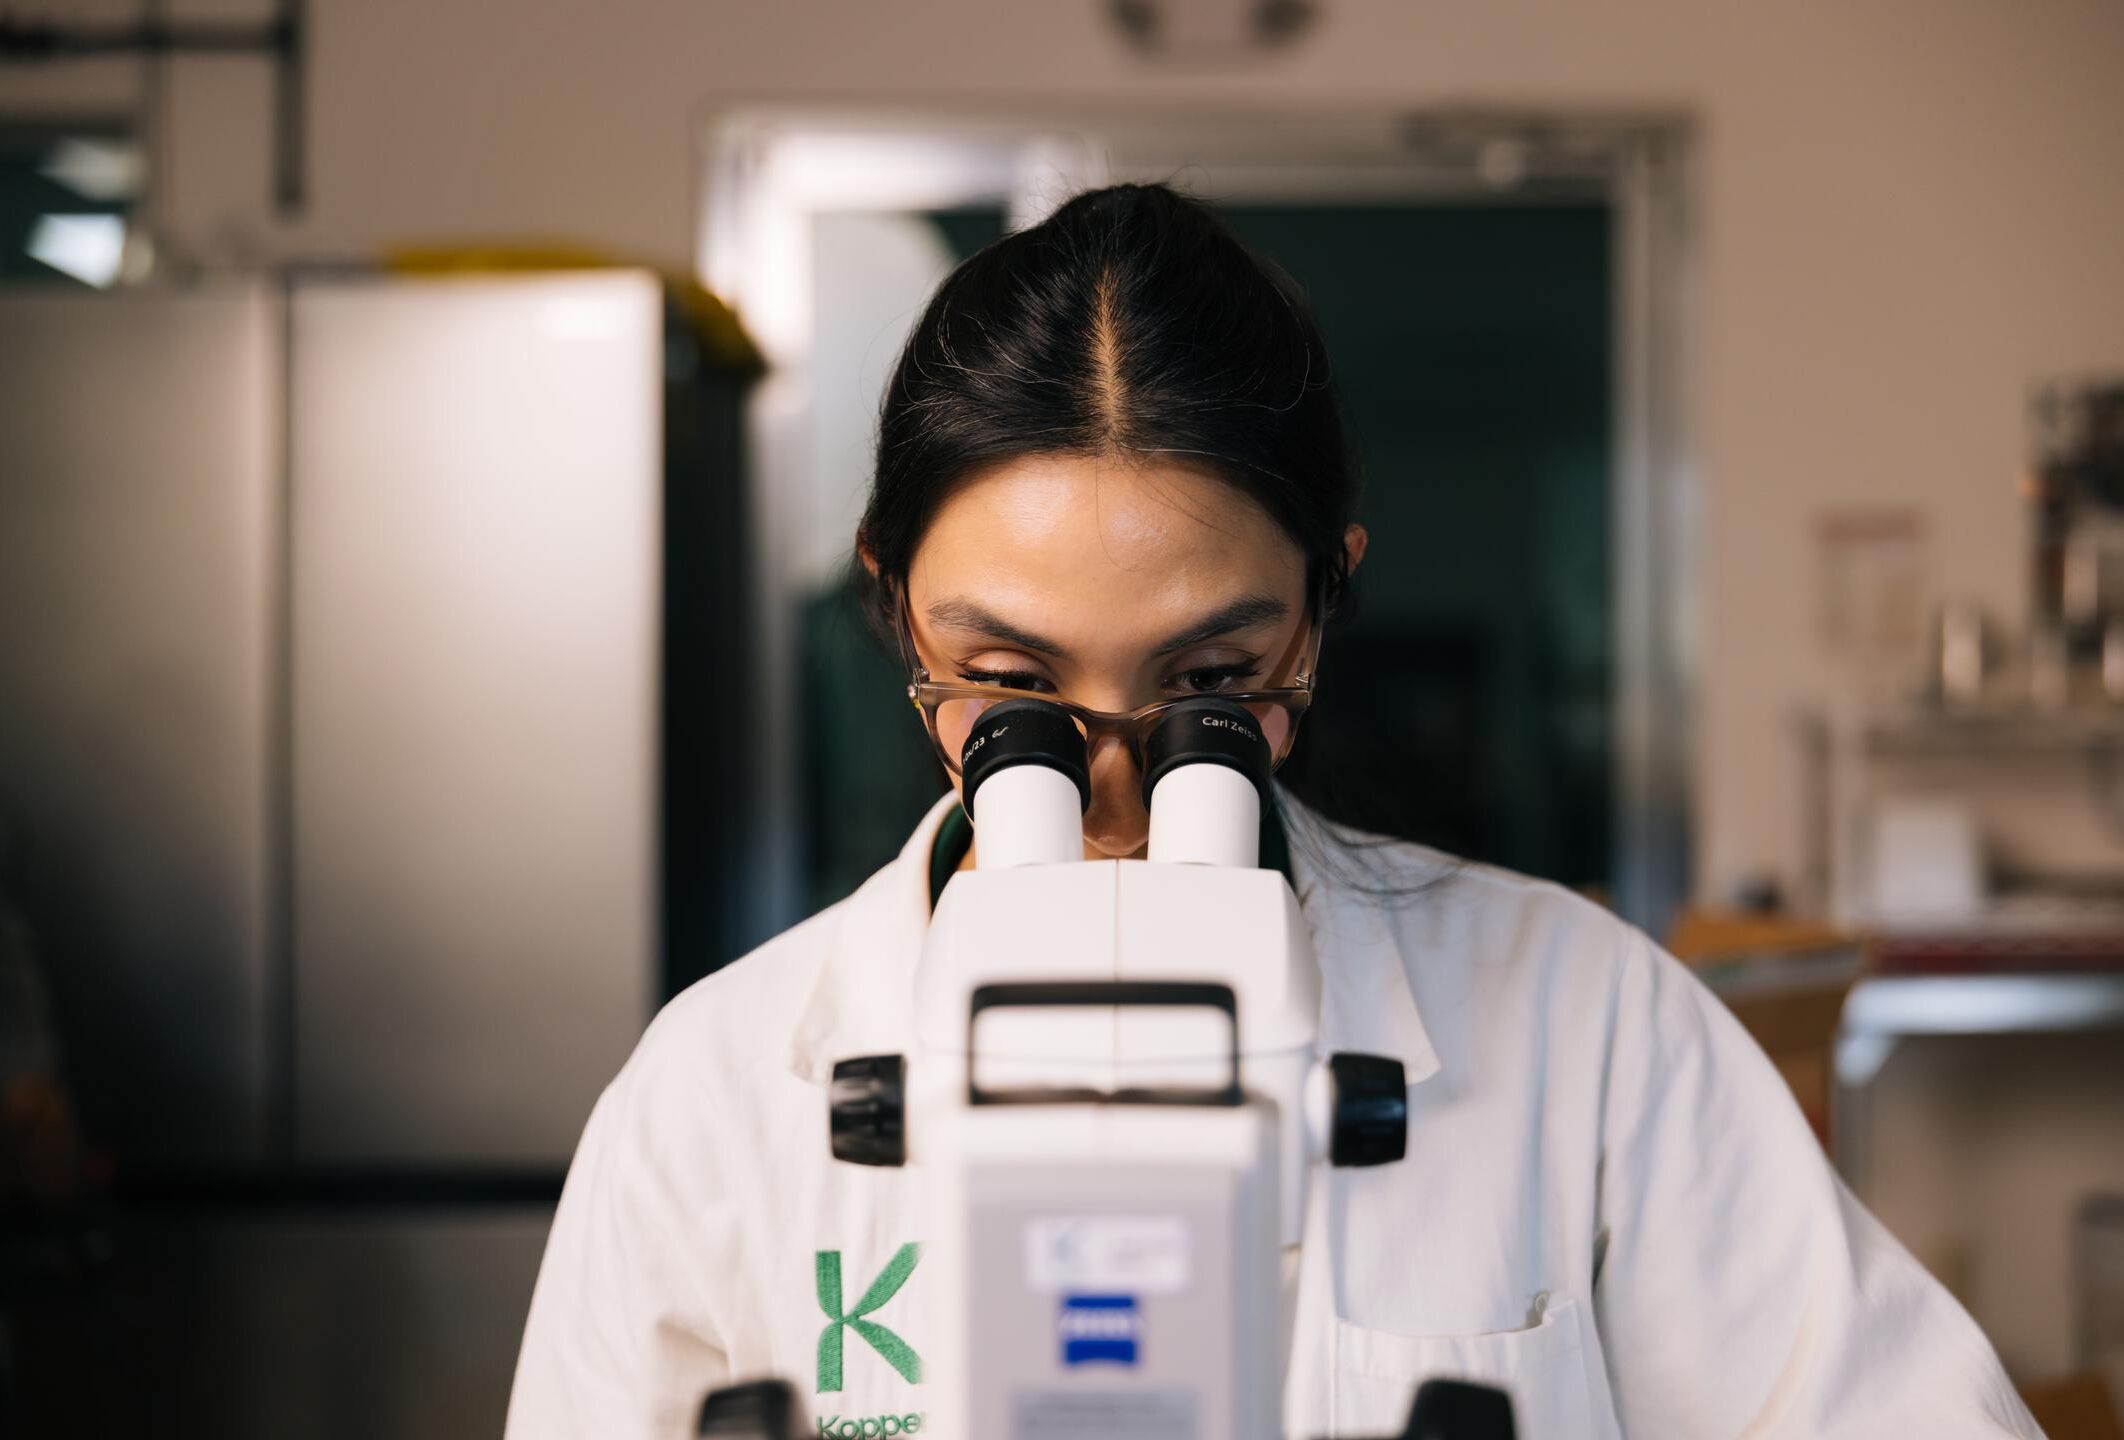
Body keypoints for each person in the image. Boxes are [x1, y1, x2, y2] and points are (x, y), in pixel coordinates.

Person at [506, 182, 2041, 1438]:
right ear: (894, 611)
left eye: (1210, 684)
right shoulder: (712, 1101)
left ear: (1323, 608)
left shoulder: (1586, 1025)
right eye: (1010, 685)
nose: (1110, 786)